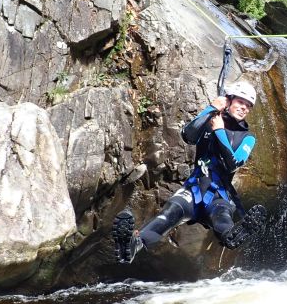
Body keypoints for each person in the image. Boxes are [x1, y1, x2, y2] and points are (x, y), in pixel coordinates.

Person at [113, 81, 267, 264]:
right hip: (193, 191)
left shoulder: (248, 138)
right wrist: (211, 109)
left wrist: (219, 132)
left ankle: (231, 236)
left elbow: (232, 164)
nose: (244, 108)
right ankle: (133, 246)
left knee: (222, 218)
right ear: (229, 100)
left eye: (248, 106)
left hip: (219, 195)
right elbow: (188, 135)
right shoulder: (210, 120)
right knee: (168, 214)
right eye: (241, 102)